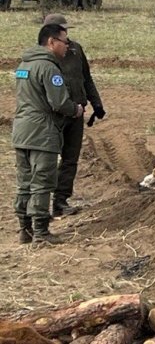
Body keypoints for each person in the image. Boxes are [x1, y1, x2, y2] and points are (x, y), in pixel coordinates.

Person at [12, 24, 84, 245]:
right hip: (42, 133)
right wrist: (76, 109)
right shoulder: (49, 68)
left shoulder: (24, 65)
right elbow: (59, 102)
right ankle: (41, 232)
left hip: (21, 131)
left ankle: (25, 230)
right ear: (51, 42)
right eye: (64, 41)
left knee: (25, 182)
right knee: (43, 182)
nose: (67, 46)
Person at [43, 14, 105, 217]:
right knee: (48, 159)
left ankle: (60, 201)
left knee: (70, 158)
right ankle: (42, 204)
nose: (66, 35)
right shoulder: (44, 56)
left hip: (77, 113)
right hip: (54, 115)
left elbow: (86, 78)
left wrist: (96, 103)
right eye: (61, 30)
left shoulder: (76, 50)